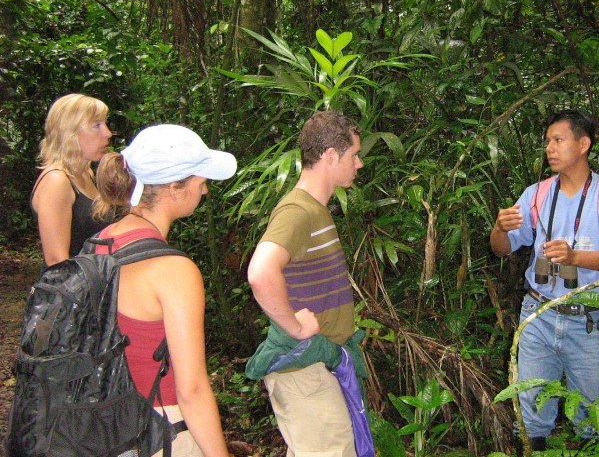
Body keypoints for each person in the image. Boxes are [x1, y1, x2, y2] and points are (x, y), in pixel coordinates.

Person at [490, 110, 599, 450]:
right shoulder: (536, 194)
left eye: (558, 140)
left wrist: (574, 257)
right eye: (547, 142)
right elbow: (501, 249)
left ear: (584, 144)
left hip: (588, 320)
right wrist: (499, 227)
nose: (550, 148)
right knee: (529, 411)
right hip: (538, 314)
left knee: (594, 416)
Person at [94, 124, 236, 457]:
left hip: (109, 425)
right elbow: (193, 390)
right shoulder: (174, 271)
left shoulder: (100, 242)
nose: (205, 191)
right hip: (161, 427)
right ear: (175, 187)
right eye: (201, 182)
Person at [247, 111, 367, 457]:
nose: (358, 164)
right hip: (304, 370)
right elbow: (260, 271)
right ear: (330, 155)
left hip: (319, 367)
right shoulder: (297, 212)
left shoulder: (317, 210)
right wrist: (295, 326)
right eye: (353, 155)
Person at [31, 93, 114, 266]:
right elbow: (56, 261)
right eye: (96, 125)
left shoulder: (85, 174)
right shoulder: (57, 180)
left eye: (105, 123)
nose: (107, 133)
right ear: (70, 132)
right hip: (71, 290)